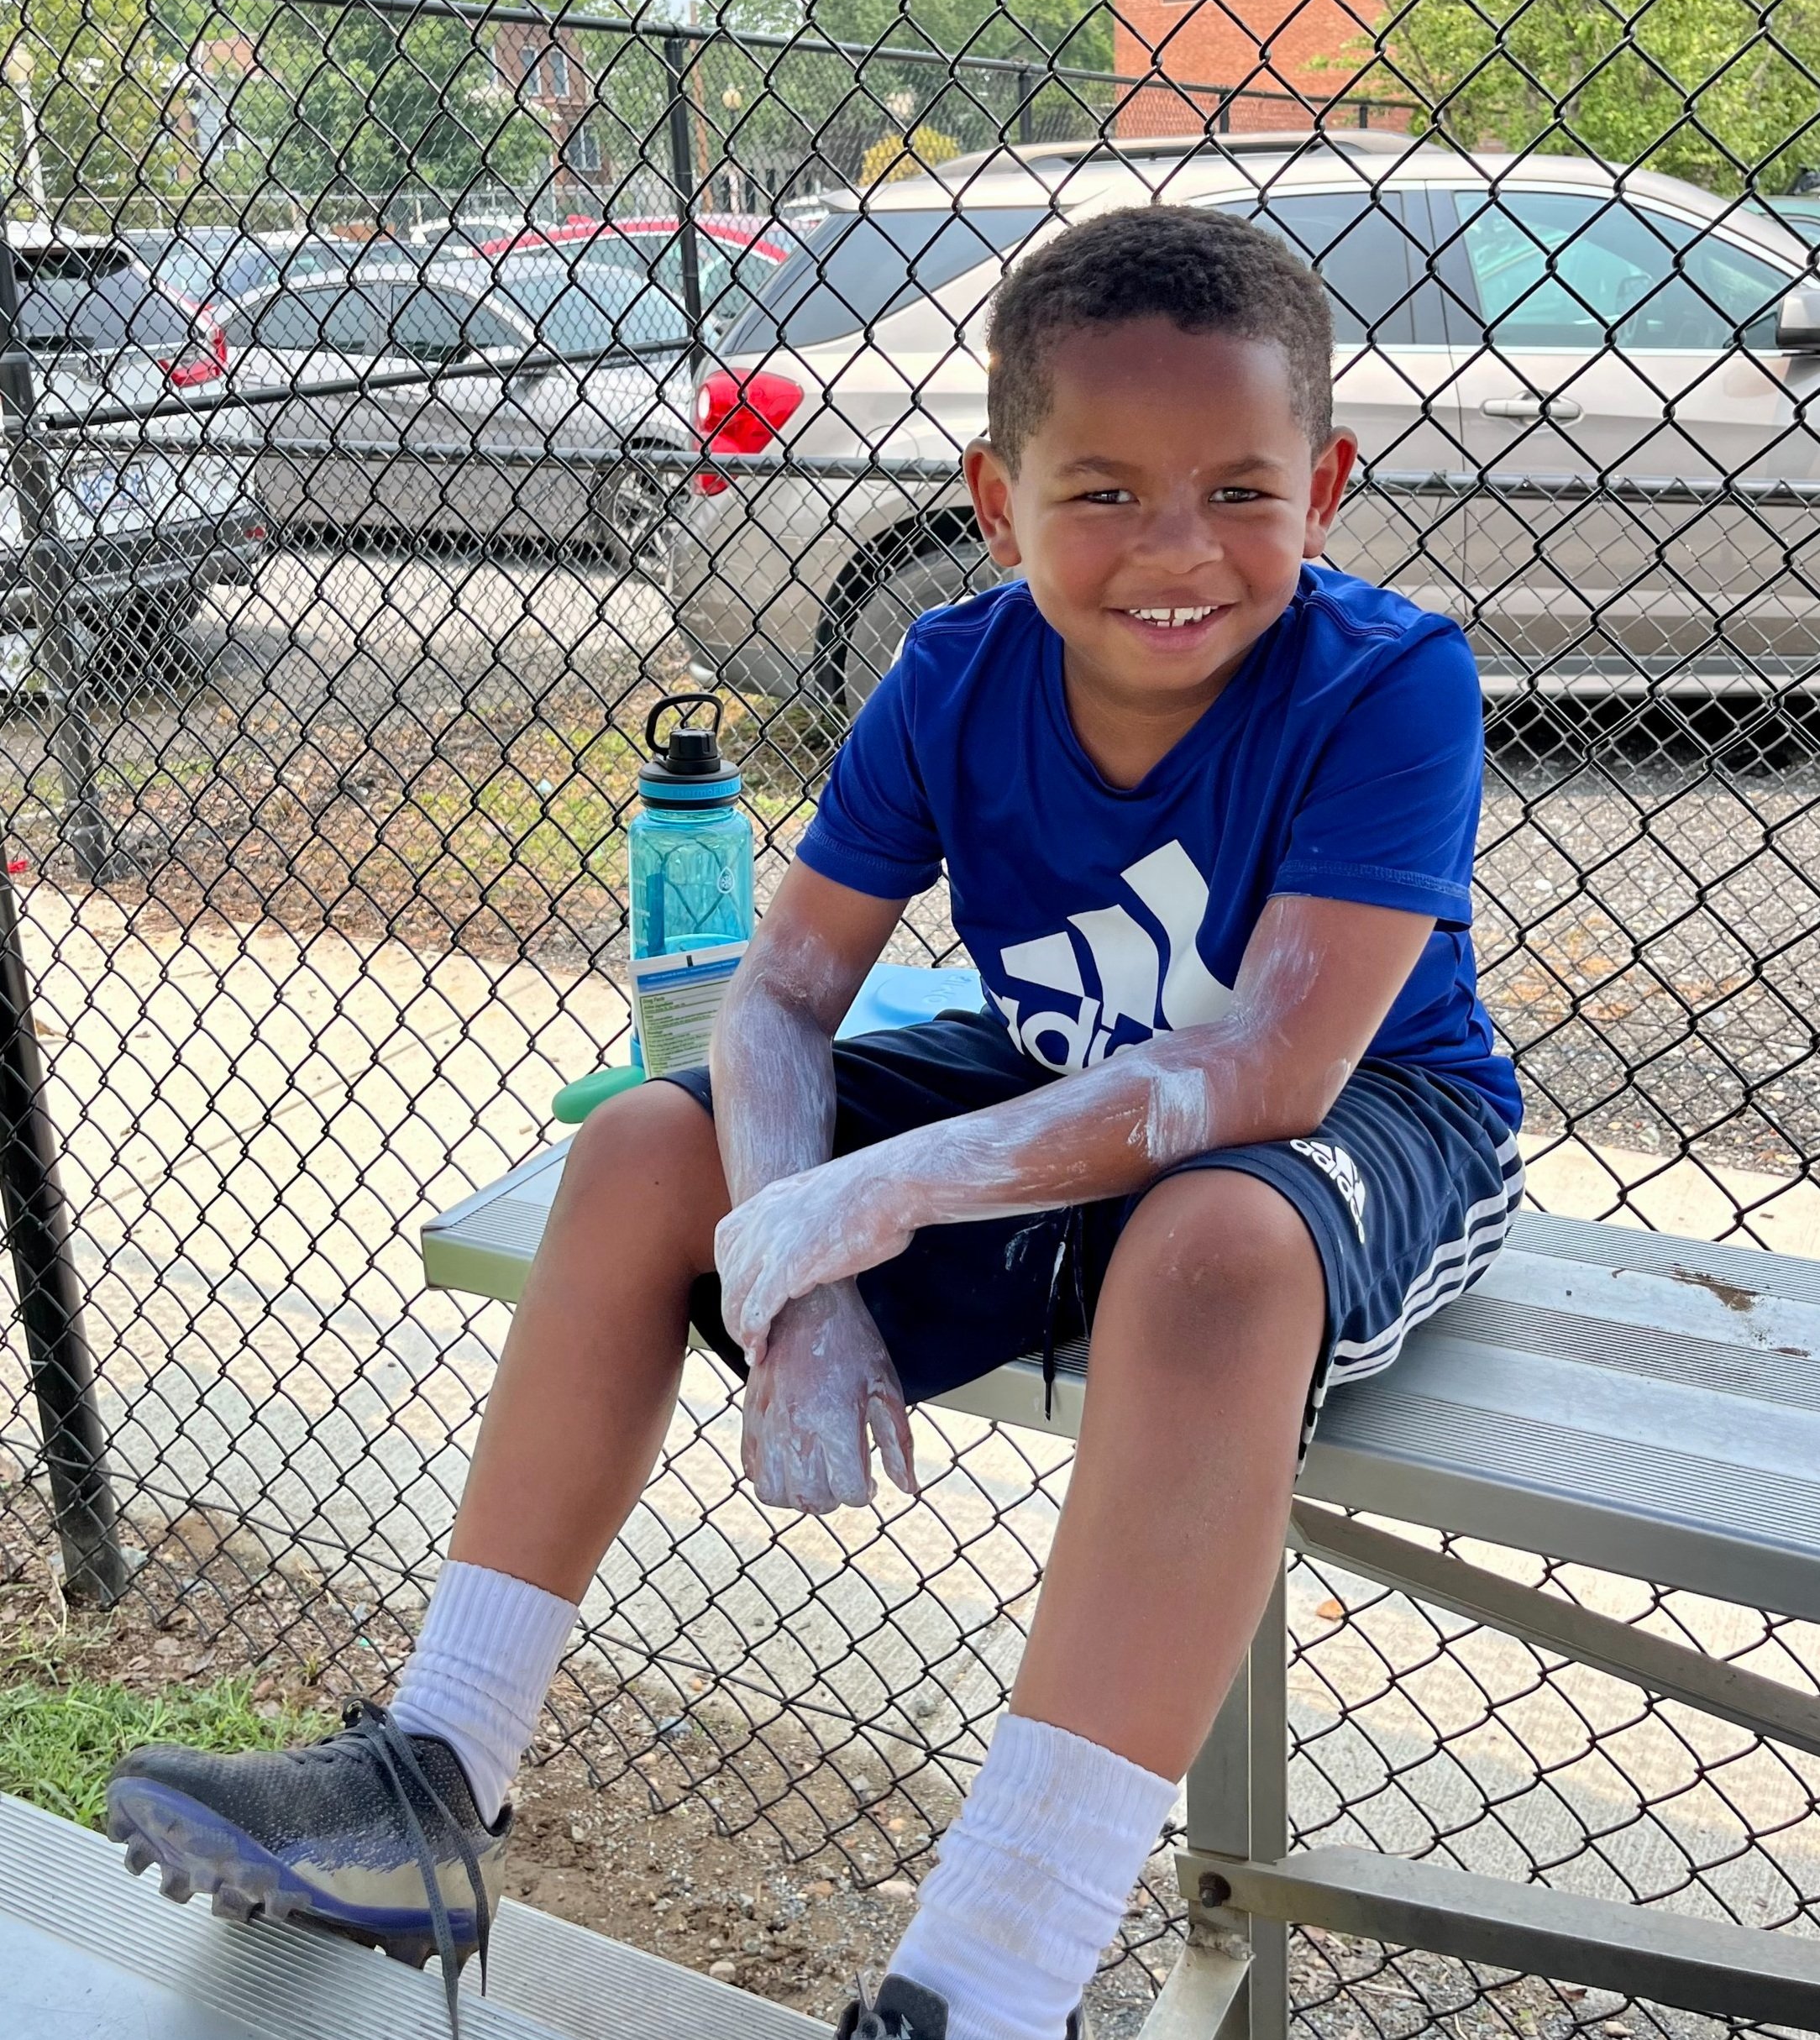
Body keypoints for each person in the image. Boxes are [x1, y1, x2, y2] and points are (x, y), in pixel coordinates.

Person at [106, 204, 1522, 2040]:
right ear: (994, 500)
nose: (1174, 551)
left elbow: (1263, 1075)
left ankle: (982, 1987)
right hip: (1060, 1085)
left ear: (1322, 485)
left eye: (1237, 491)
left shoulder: (1388, 676)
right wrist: (801, 1278)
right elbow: (779, 992)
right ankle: (433, 1776)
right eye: (1100, 493)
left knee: (1218, 1244)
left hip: (1363, 1110)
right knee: (637, 1150)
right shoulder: (952, 668)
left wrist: (860, 1202)